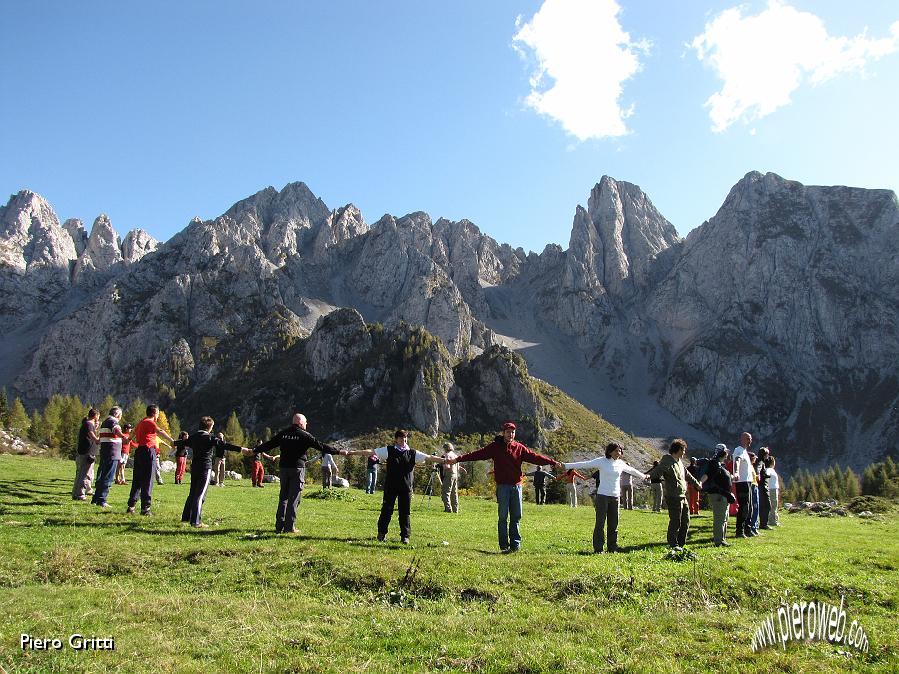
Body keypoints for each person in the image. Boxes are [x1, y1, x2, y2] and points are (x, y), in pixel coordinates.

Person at [448, 422, 561, 553]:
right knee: (503, 517)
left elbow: (535, 457)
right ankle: (504, 545)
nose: (510, 434)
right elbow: (477, 454)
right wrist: (458, 459)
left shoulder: (519, 448)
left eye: (513, 432)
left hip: (516, 487)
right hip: (503, 487)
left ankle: (515, 545)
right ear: (503, 433)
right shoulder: (495, 447)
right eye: (508, 432)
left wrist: (552, 462)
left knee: (516, 516)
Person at [344, 429, 445, 543]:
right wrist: (352, 453)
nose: (404, 440)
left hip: (406, 488)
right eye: (401, 438)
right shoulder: (389, 450)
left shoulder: (412, 453)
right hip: (391, 486)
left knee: (405, 512)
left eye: (405, 438)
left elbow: (429, 458)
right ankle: (381, 533)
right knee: (386, 510)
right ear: (396, 439)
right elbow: (371, 452)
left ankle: (405, 536)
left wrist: (445, 461)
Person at [253, 412, 343, 534]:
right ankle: (290, 527)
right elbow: (321, 446)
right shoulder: (305, 435)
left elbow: (269, 444)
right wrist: (338, 451)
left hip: (284, 468)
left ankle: (279, 525)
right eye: (305, 423)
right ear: (301, 423)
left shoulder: (284, 433)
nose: (306, 425)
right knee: (294, 498)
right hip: (297, 469)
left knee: (283, 497)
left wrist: (254, 450)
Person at [562, 443, 649, 553]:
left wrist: (644, 476)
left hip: (615, 497)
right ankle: (598, 548)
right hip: (602, 496)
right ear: (610, 451)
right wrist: (566, 465)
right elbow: (584, 464)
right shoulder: (601, 461)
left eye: (620, 451)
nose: (619, 453)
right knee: (600, 523)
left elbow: (632, 470)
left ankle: (612, 547)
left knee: (614, 523)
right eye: (617, 450)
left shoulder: (620, 464)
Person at [175, 417, 250, 528]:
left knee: (192, 493)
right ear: (209, 427)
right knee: (200, 495)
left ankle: (186, 517)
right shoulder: (210, 438)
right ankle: (196, 522)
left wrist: (169, 441)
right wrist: (241, 449)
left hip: (194, 467)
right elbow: (224, 445)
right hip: (205, 468)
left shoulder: (193, 437)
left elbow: (180, 443)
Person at [648, 439, 703, 550]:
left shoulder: (679, 462)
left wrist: (697, 485)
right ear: (678, 449)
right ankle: (673, 544)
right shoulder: (667, 460)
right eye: (683, 450)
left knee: (685, 521)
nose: (684, 453)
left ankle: (681, 544)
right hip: (673, 497)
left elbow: (688, 475)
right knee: (675, 522)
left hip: (682, 497)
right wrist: (652, 475)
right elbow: (658, 471)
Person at [127, 405, 175, 516]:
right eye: (158, 413)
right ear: (155, 413)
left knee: (137, 479)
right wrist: (171, 440)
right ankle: (145, 508)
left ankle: (131, 506)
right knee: (148, 479)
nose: (158, 416)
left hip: (139, 451)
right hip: (148, 451)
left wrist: (128, 439)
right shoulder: (150, 422)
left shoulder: (141, 422)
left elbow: (132, 434)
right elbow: (160, 431)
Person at [700, 445, 736, 546]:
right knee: (720, 518)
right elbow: (707, 475)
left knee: (724, 517)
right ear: (723, 453)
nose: (727, 454)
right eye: (726, 452)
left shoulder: (719, 464)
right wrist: (700, 483)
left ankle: (722, 539)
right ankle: (719, 541)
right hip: (719, 495)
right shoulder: (714, 464)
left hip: (723, 494)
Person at [92, 406, 126, 508]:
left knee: (102, 476)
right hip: (112, 453)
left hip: (105, 452)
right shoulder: (113, 422)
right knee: (108, 477)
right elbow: (116, 430)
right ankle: (102, 499)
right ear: (118, 414)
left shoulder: (105, 422)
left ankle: (96, 498)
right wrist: (124, 437)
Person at [731, 432, 756, 538]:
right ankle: (739, 531)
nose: (750, 440)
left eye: (750, 438)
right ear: (742, 439)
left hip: (748, 482)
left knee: (749, 507)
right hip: (742, 482)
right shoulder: (739, 450)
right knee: (744, 507)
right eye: (748, 438)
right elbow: (737, 460)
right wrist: (736, 472)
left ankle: (748, 529)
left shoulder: (745, 451)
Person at [72, 408, 100, 500]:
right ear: (95, 415)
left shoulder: (88, 424)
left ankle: (76, 493)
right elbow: (92, 436)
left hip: (86, 452)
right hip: (87, 453)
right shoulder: (88, 424)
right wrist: (99, 438)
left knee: (82, 474)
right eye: (98, 417)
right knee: (84, 474)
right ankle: (80, 494)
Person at [438, 442, 466, 513]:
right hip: (455, 474)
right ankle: (455, 509)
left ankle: (448, 509)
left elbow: (447, 466)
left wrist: (441, 465)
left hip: (449, 474)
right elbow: (457, 466)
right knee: (454, 493)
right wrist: (462, 469)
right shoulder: (455, 455)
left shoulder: (446, 455)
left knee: (445, 492)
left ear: (445, 448)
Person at [756, 447, 771, 529]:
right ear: (764, 454)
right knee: (766, 505)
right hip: (762, 487)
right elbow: (758, 469)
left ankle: (763, 523)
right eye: (767, 454)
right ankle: (763, 524)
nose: (768, 456)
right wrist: (758, 475)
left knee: (764, 506)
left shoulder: (761, 462)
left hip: (762, 486)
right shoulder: (761, 462)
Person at [765, 456, 781, 527]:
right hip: (771, 489)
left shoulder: (771, 469)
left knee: (774, 506)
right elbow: (766, 475)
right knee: (773, 506)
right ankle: (773, 521)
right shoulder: (769, 470)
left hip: (773, 489)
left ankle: (774, 520)